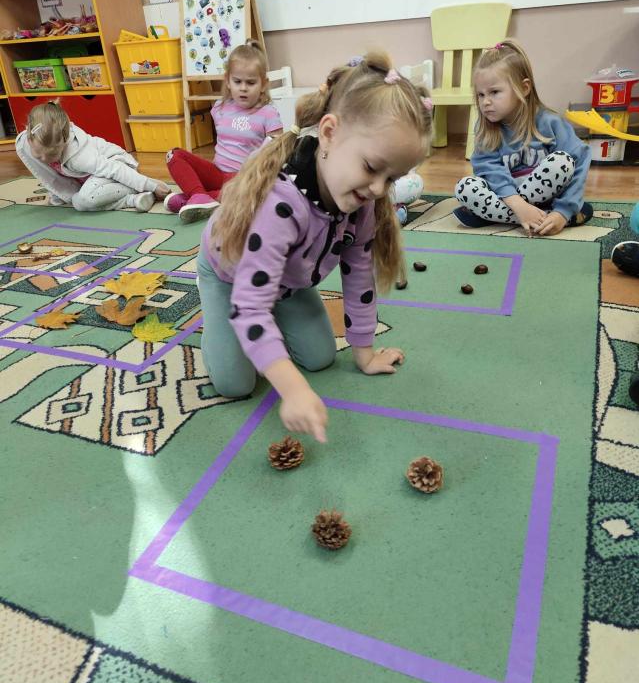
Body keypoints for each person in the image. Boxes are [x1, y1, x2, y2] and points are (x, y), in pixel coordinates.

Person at [197, 52, 432, 442]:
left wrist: (364, 354)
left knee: (321, 358)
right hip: (229, 277)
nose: (378, 188)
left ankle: (276, 307)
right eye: (372, 167)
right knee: (236, 384)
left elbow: (359, 277)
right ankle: (217, 319)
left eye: (392, 178)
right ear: (329, 133)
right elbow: (250, 306)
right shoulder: (280, 205)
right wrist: (293, 390)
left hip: (289, 282)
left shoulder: (362, 202)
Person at [453, 39, 593, 236]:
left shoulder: (550, 122)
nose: (485, 102)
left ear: (524, 88)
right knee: (464, 187)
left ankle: (492, 216)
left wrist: (563, 210)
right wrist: (519, 206)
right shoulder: (486, 128)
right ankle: (540, 217)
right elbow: (488, 170)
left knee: (562, 162)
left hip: (546, 196)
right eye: (480, 95)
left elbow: (579, 161)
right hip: (507, 198)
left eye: (494, 92)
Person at [165, 39, 283, 223]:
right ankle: (199, 196)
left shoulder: (268, 113)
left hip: (244, 179)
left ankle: (191, 198)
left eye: (251, 82)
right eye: (237, 81)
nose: (243, 88)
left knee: (247, 195)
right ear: (228, 81)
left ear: (263, 84)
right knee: (174, 155)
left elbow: (278, 152)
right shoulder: (219, 107)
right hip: (217, 173)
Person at [16, 101, 169, 211]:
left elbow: (114, 169)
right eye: (39, 155)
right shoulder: (27, 144)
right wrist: (57, 195)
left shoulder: (79, 156)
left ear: (64, 142)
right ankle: (135, 197)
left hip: (117, 165)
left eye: (52, 155)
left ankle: (136, 193)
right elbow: (49, 175)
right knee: (80, 199)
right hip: (92, 179)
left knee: (82, 201)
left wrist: (150, 185)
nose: (44, 160)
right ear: (29, 139)